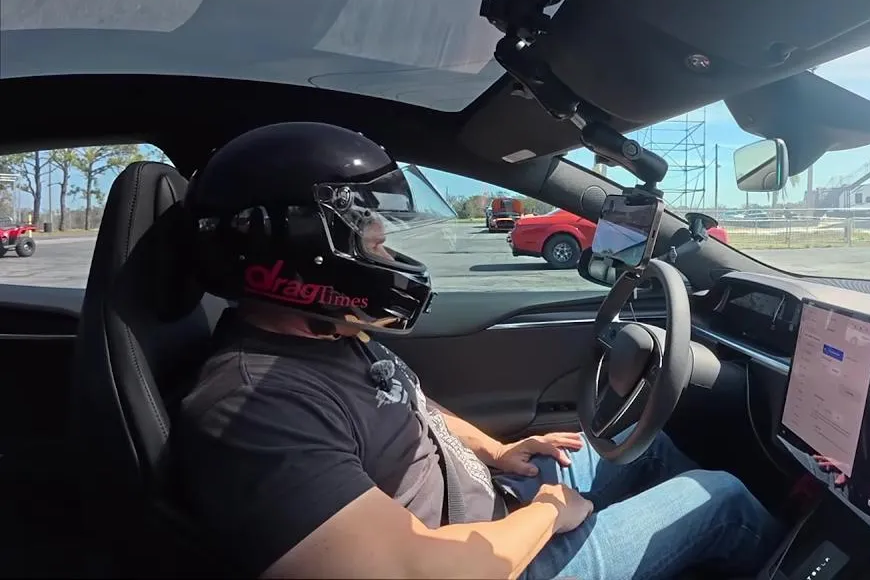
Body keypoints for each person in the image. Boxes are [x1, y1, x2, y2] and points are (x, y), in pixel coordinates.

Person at [174, 121, 781, 580]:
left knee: (649, 449)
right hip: (490, 561)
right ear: (298, 250)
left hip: (492, 503)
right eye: (373, 246)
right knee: (720, 497)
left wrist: (499, 450)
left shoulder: (329, 336)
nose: (389, 260)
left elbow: (410, 402)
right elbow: (414, 572)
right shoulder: (253, 407)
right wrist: (548, 512)